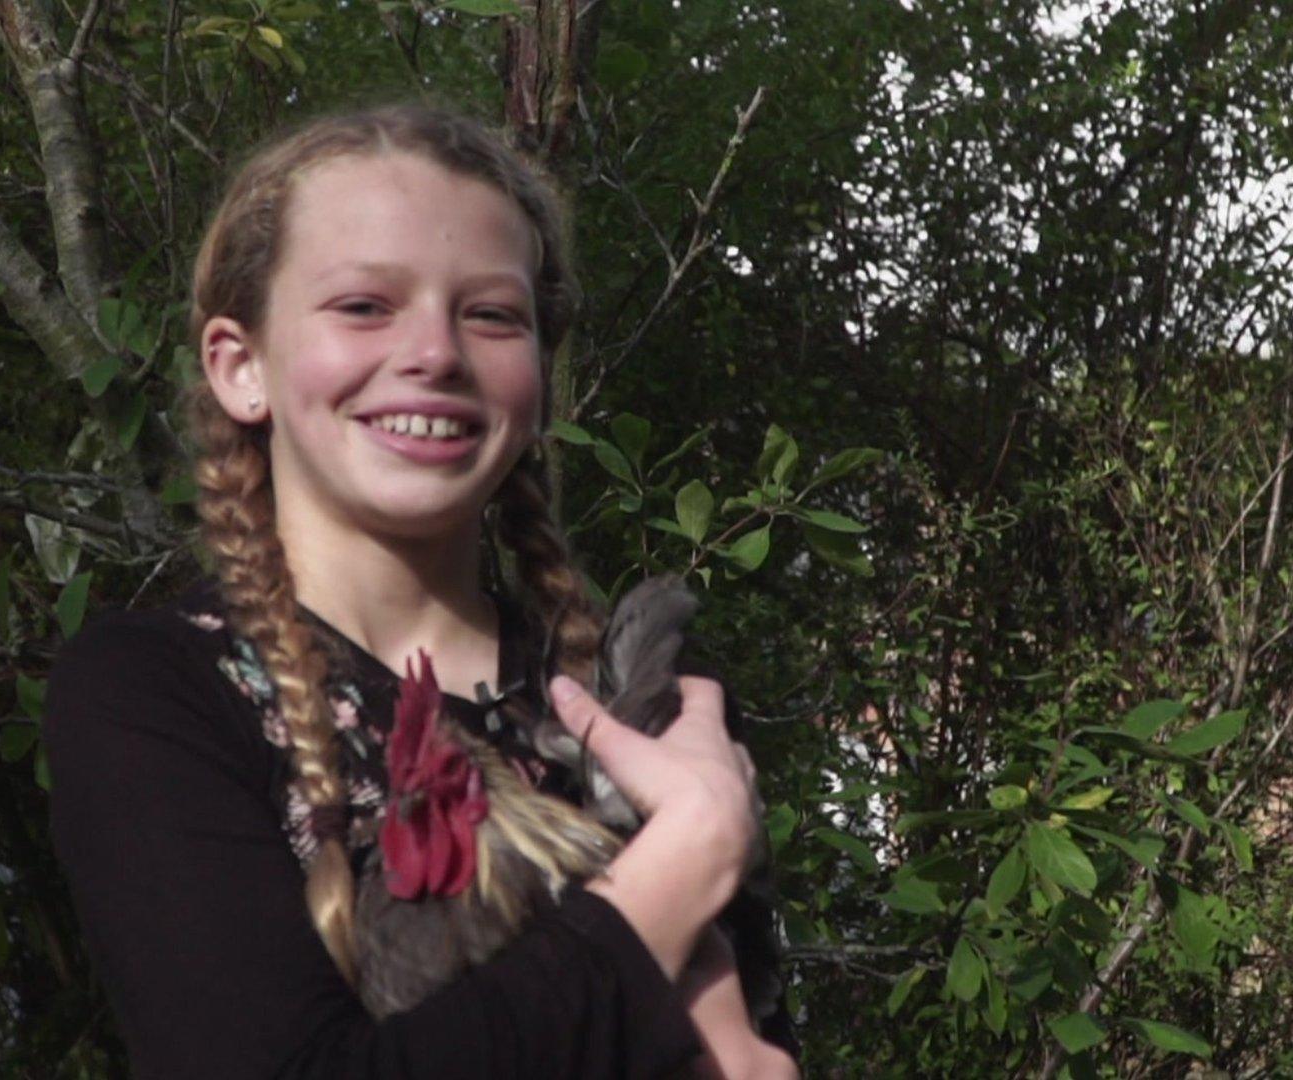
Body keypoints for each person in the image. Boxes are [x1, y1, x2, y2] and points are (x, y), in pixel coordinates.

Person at [43, 100, 802, 1079]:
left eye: (489, 314)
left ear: (535, 375)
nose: (436, 353)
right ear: (241, 367)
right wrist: (682, 862)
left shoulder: (652, 710)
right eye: (364, 305)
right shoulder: (153, 692)